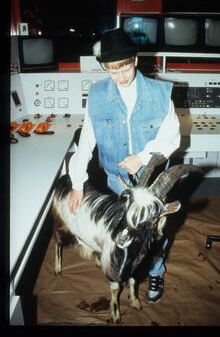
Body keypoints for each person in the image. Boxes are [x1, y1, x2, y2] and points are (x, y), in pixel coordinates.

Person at [68, 28, 180, 303]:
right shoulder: (96, 95)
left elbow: (172, 138)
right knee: (124, 233)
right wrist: (76, 183)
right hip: (116, 182)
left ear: (135, 59)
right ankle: (122, 269)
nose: (120, 76)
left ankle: (155, 271)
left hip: (152, 186)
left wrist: (143, 157)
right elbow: (86, 142)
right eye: (112, 71)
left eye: (124, 68)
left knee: (151, 235)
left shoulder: (160, 94)